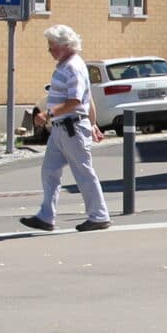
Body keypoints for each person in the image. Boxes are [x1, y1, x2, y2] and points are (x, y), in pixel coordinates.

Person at [20, 23, 110, 233]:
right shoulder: (67, 65)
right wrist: (93, 123)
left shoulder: (72, 67)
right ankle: (46, 216)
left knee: (82, 172)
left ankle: (99, 216)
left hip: (71, 128)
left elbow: (75, 100)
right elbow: (88, 98)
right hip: (63, 128)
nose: (49, 49)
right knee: (50, 171)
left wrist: (47, 114)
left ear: (64, 45)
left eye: (51, 45)